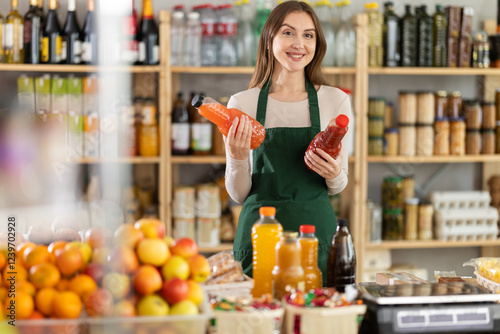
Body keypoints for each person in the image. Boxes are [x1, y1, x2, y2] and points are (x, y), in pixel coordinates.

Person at [225, 0, 351, 283]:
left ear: (317, 44)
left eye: (308, 35)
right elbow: (238, 194)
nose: (299, 44)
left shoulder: (335, 101)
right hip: (259, 237)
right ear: (269, 37)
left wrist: (334, 175)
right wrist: (235, 157)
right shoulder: (242, 103)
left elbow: (339, 185)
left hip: (315, 236)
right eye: (288, 32)